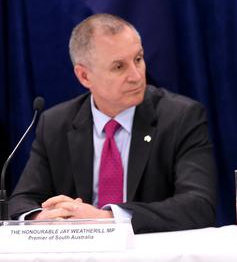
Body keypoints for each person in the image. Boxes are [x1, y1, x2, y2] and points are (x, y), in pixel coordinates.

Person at [9, 13, 217, 233]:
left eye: (138, 59)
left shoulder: (181, 117)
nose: (136, 76)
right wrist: (42, 217)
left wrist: (107, 218)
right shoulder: (55, 124)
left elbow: (199, 206)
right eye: (119, 67)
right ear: (84, 76)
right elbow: (21, 201)